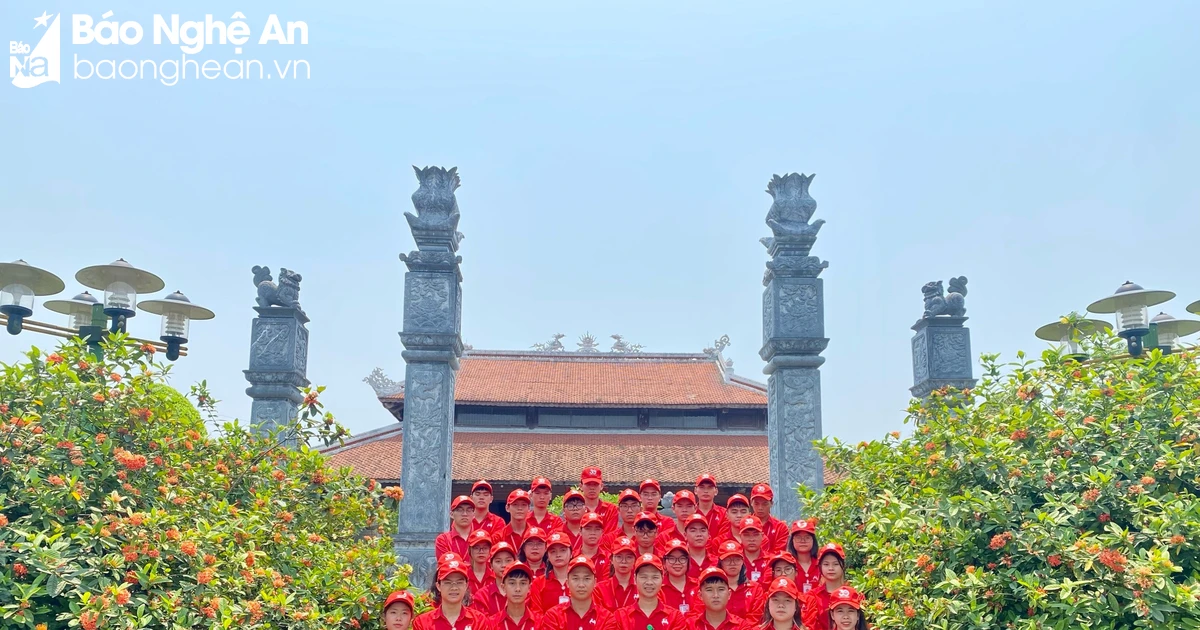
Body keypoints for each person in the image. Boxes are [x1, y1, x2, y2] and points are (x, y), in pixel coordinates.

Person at [601, 554, 688, 630]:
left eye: (655, 577)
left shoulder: (675, 617)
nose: (649, 582)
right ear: (635, 579)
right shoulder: (620, 617)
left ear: (662, 579)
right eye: (644, 577)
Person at [537, 555, 613, 630]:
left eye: (587, 578)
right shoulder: (553, 616)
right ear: (567, 583)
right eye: (575, 578)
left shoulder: (606, 618)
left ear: (595, 583)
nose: (581, 584)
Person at [413, 556, 483, 630]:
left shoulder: (478, 621)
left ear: (466, 585)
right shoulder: (422, 622)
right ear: (438, 586)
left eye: (459, 582)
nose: (454, 588)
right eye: (448, 582)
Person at [484, 561, 541, 630]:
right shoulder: (491, 624)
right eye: (512, 583)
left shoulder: (540, 622)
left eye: (523, 583)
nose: (517, 589)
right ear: (503, 587)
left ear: (529, 588)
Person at [805, 543, 849, 630]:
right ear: (820, 567)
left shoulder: (853, 595)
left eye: (835, 564)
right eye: (826, 564)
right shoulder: (811, 596)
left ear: (843, 566)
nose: (831, 568)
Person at [712, 541, 760, 619]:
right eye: (728, 560)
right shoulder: (711, 589)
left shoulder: (755, 589)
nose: (732, 563)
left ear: (742, 562)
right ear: (720, 563)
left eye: (737, 559)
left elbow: (755, 619)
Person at [530, 532, 575, 614]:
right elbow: (537, 614)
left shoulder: (579, 582)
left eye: (563, 550)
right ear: (547, 556)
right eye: (553, 551)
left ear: (571, 553)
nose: (558, 555)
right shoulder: (538, 583)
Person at [474, 542, 519, 615]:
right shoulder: (482, 596)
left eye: (508, 560)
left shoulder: (524, 592)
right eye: (498, 561)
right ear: (491, 565)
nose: (504, 565)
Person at [595, 536, 638, 611]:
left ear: (635, 560)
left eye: (629, 557)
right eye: (619, 557)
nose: (624, 561)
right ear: (611, 559)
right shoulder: (600, 589)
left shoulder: (641, 588)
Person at [748, 485, 788, 555]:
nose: (760, 508)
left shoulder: (780, 527)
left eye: (765, 504)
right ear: (751, 503)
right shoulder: (744, 526)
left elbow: (779, 553)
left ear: (771, 503)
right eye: (756, 503)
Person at [660, 540, 698, 614]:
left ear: (688, 562)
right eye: (672, 558)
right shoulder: (659, 588)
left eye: (682, 558)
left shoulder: (698, 585)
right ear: (664, 563)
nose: (677, 563)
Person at [785, 520, 820, 595]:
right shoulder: (787, 565)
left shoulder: (821, 564)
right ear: (792, 541)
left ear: (813, 540)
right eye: (798, 537)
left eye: (807, 537)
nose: (803, 541)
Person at [681, 515, 717, 581]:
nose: (699, 534)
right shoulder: (679, 562)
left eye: (703, 530)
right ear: (685, 535)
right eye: (693, 530)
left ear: (708, 535)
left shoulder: (717, 562)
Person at [737, 517, 771, 584]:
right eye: (747, 535)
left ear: (762, 536)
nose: (751, 539)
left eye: (755, 535)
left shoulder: (771, 561)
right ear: (740, 537)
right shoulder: (734, 561)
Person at [468, 530, 497, 597]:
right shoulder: (464, 577)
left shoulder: (495, 576)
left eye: (485, 548)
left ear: (490, 551)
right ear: (470, 551)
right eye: (476, 548)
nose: (481, 551)